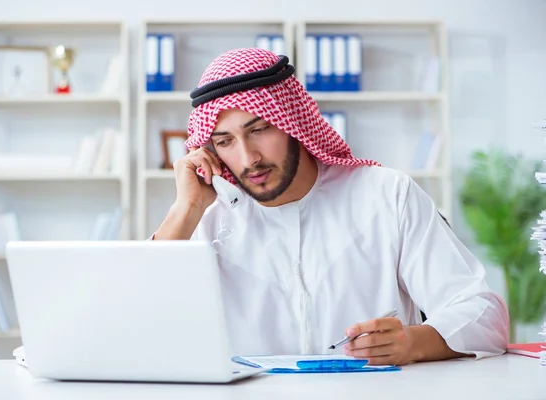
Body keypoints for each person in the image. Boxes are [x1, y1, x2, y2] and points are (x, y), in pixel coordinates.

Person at [151, 47, 509, 366]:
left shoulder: (386, 195)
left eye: (259, 129)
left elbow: (484, 314)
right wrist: (184, 211)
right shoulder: (207, 218)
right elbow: (139, 322)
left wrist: (413, 342)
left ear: (292, 121)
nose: (248, 158)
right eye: (225, 141)